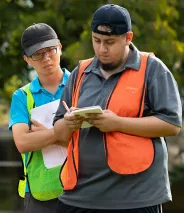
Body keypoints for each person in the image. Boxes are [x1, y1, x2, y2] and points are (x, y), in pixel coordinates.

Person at [53, 4, 183, 213]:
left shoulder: (152, 69)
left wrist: (118, 123)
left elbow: (171, 124)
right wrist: (68, 123)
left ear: (128, 37)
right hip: (79, 196)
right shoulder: (80, 72)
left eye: (110, 42)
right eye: (97, 41)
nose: (102, 49)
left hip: (137, 198)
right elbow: (59, 133)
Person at [9, 23, 70, 213]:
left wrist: (45, 135)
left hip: (81, 186)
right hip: (39, 193)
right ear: (27, 60)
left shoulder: (81, 85)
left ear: (59, 48)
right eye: (37, 54)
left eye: (50, 50)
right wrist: (62, 132)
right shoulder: (22, 96)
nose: (46, 58)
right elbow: (23, 143)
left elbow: (91, 140)